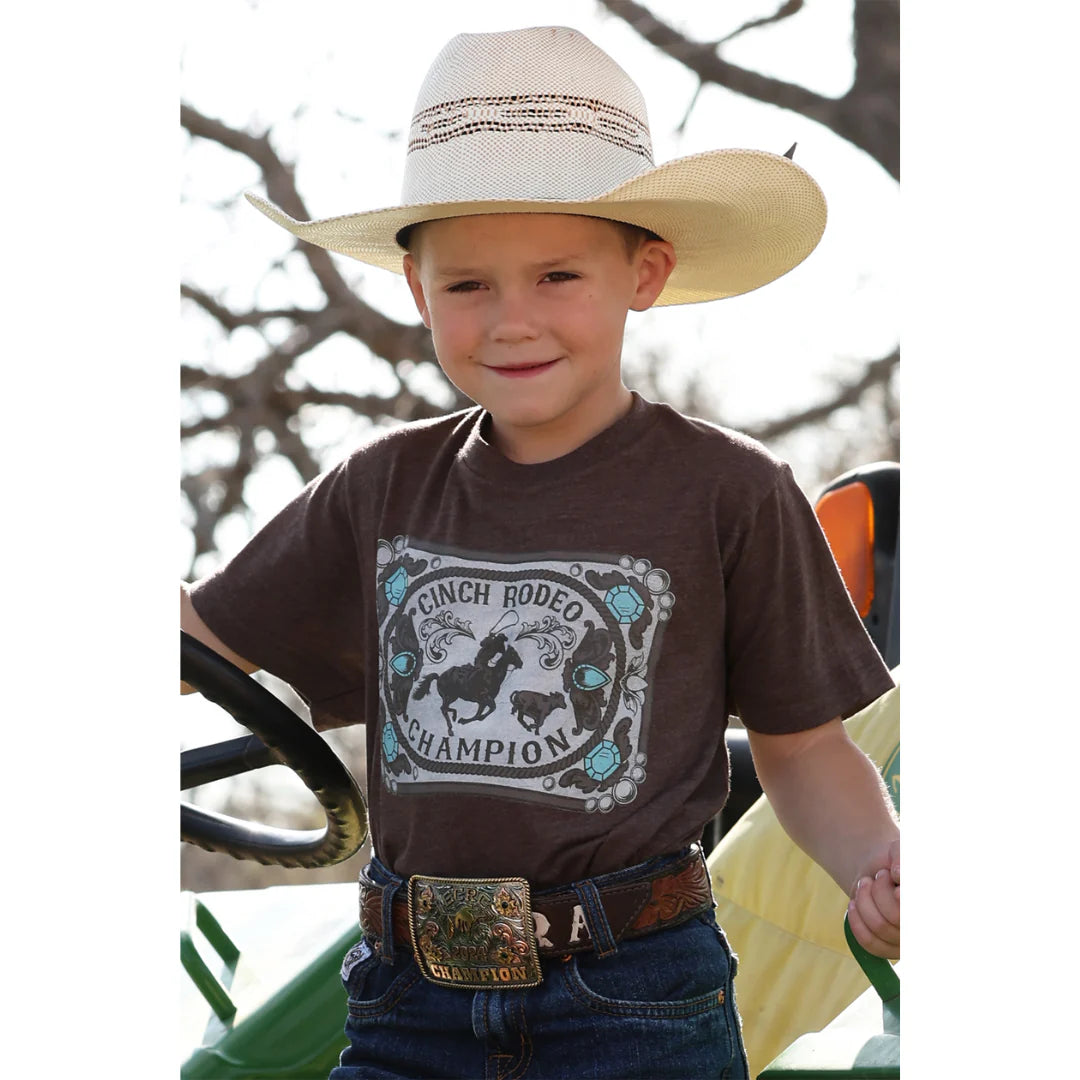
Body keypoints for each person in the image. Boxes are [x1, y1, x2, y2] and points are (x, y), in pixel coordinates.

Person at [181, 25, 900, 1080]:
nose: (512, 320)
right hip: (403, 1000)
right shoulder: (379, 488)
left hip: (634, 996)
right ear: (419, 293)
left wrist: (883, 868)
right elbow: (197, 639)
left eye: (557, 274)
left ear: (642, 274)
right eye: (468, 285)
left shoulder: (730, 492)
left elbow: (804, 751)